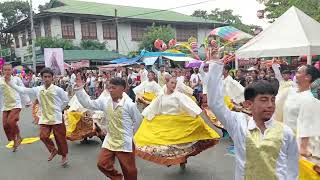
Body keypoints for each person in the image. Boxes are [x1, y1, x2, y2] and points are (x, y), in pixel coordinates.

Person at [207, 60, 299, 180]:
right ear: (248, 104)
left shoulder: (286, 132)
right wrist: (216, 65)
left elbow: (292, 169)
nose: (270, 105)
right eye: (264, 100)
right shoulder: (239, 124)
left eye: (272, 100)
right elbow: (215, 103)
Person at [134, 77, 220, 168]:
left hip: (178, 123)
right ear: (166, 83)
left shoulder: (179, 96)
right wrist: (146, 115)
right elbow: (153, 108)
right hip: (166, 123)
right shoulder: (161, 97)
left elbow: (188, 106)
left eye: (175, 83)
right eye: (172, 83)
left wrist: (195, 115)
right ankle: (171, 159)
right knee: (167, 144)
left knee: (181, 144)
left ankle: (182, 159)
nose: (173, 85)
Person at [74, 76, 142, 180]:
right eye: (109, 87)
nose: (110, 90)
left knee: (129, 171)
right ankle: (117, 178)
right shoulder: (105, 101)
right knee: (102, 164)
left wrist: (131, 135)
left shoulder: (129, 105)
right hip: (110, 140)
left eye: (113, 88)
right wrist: (79, 89)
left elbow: (138, 121)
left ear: (123, 89)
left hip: (124, 142)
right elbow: (88, 103)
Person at [9, 68, 69, 166]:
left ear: (52, 78)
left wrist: (59, 109)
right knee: (43, 136)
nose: (47, 79)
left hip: (57, 118)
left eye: (49, 77)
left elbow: (66, 100)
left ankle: (64, 156)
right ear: (41, 78)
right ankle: (53, 150)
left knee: (60, 139)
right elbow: (23, 90)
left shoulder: (58, 90)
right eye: (45, 77)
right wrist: (10, 83)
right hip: (45, 118)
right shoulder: (38, 89)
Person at [275, 65, 320, 173]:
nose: (296, 74)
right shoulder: (290, 91)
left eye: (299, 72)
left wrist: (303, 148)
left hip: (299, 147)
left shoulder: (311, 100)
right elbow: (277, 108)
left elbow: (309, 126)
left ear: (307, 77)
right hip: (284, 140)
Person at [0, 63, 31, 152]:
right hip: (5, 105)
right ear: (2, 71)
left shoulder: (16, 79)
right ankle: (16, 139)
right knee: (6, 125)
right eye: (5, 70)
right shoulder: (0, 80)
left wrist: (27, 101)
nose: (7, 71)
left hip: (16, 104)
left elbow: (22, 90)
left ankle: (18, 138)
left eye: (9, 69)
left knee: (11, 121)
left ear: (12, 70)